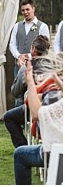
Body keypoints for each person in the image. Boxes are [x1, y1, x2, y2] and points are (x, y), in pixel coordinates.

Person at [13, 54, 62, 184]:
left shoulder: (55, 99)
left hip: (55, 155)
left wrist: (29, 80)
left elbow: (35, 113)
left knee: (20, 154)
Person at [3, 35, 51, 147]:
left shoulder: (28, 67)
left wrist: (21, 71)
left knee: (8, 117)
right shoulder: (55, 65)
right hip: (53, 105)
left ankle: (22, 147)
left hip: (33, 109)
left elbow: (15, 91)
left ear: (33, 49)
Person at [8, 0, 51, 72]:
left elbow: (45, 48)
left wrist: (29, 56)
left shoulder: (43, 26)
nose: (25, 12)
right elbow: (12, 44)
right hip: (19, 67)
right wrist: (19, 56)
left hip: (36, 67)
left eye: (27, 9)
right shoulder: (16, 26)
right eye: (23, 10)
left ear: (33, 9)